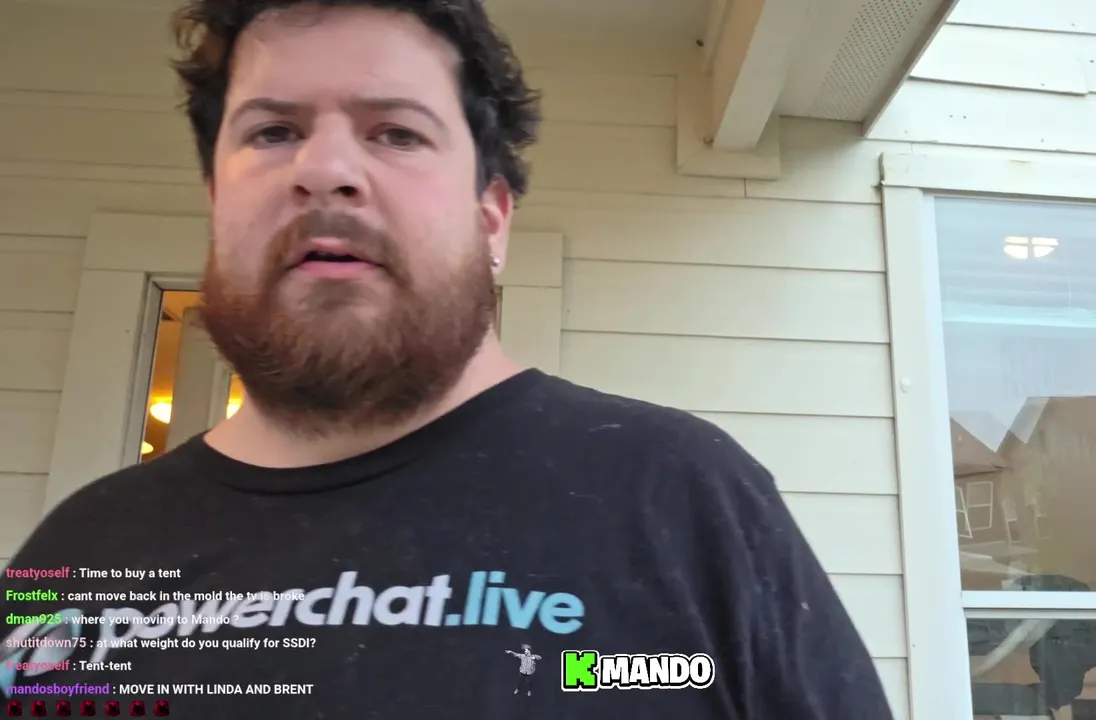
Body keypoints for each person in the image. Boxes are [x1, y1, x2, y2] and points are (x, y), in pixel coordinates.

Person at [0, 1, 895, 717]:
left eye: (396, 132)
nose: (326, 169)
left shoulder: (682, 496)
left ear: (491, 220)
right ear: (216, 200)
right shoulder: (80, 555)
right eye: (272, 132)